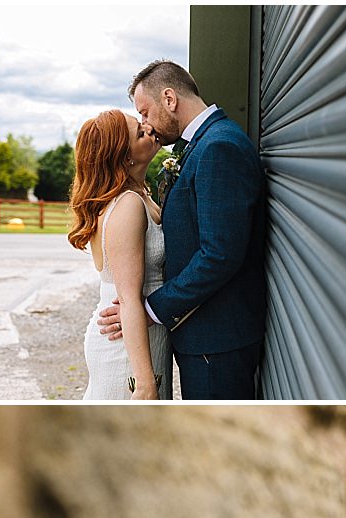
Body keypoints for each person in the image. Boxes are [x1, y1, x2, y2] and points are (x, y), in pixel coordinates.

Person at [96, 60, 266, 399]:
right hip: (202, 334)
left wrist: (151, 308)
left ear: (170, 99)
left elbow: (219, 254)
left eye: (144, 112)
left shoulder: (219, 147)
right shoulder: (203, 144)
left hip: (217, 338)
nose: (145, 124)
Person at [69, 110, 171, 400]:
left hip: (142, 335)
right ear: (125, 157)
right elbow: (127, 299)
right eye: (139, 132)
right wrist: (144, 383)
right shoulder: (126, 205)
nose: (149, 129)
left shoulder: (140, 194)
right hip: (123, 345)